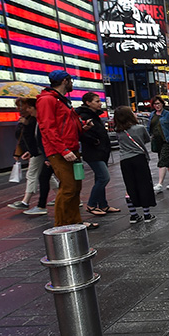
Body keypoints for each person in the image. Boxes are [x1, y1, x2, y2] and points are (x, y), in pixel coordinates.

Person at [36, 70, 97, 229]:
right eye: (71, 80)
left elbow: (66, 126)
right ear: (65, 81)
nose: (72, 83)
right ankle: (62, 226)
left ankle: (75, 222)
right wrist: (63, 150)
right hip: (60, 152)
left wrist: (83, 128)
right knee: (68, 187)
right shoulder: (47, 100)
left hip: (70, 149)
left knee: (75, 187)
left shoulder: (61, 100)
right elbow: (47, 128)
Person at [113, 106, 157, 223]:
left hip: (124, 160)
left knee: (130, 186)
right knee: (144, 184)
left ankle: (133, 215)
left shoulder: (118, 130)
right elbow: (146, 139)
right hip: (139, 158)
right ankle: (147, 214)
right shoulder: (140, 128)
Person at [77, 92, 117, 215]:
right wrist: (95, 141)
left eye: (99, 101)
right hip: (93, 152)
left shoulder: (95, 115)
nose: (100, 103)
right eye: (97, 101)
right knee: (104, 177)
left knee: (99, 178)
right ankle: (91, 204)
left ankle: (103, 204)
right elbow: (82, 134)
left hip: (101, 151)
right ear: (88, 103)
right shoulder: (84, 116)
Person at [8, 98, 41, 210]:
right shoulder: (25, 120)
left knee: (31, 174)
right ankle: (58, 194)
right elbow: (22, 138)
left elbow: (33, 137)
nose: (20, 109)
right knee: (44, 175)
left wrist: (26, 125)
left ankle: (26, 201)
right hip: (34, 151)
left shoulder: (34, 120)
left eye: (23, 106)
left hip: (37, 151)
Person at [149, 98, 167, 192]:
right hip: (157, 141)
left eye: (158, 103)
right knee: (168, 163)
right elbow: (149, 127)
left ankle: (160, 184)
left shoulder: (168, 114)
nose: (157, 105)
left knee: (162, 161)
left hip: (166, 140)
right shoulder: (152, 115)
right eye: (155, 104)